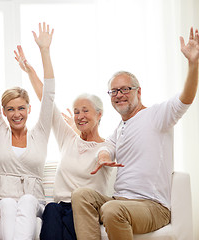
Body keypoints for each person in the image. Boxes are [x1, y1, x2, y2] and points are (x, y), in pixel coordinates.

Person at [70, 27, 199, 240]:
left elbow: (185, 98)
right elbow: (107, 146)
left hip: (153, 207)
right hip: (120, 200)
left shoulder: (157, 115)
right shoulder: (120, 127)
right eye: (114, 91)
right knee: (81, 195)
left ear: (138, 92)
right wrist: (103, 155)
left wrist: (193, 64)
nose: (119, 95)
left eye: (125, 89)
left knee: (112, 209)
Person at [14, 45, 123, 240]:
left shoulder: (107, 146)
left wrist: (104, 158)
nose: (80, 116)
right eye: (76, 111)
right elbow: (46, 99)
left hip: (85, 208)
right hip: (59, 206)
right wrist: (30, 70)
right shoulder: (67, 138)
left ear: (99, 114)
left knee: (71, 221)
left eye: (85, 110)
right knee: (51, 211)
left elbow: (105, 153)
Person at [0, 16, 55, 239]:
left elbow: (49, 95)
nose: (16, 114)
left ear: (29, 109)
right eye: (10, 109)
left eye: (21, 108)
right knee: (10, 205)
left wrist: (44, 52)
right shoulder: (0, 132)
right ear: (3, 112)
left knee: (28, 200)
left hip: (35, 201)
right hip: (2, 201)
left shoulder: (40, 134)